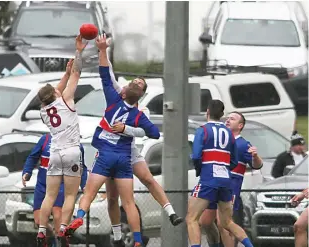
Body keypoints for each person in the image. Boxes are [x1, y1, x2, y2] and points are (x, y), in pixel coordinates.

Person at [65, 34, 160, 247]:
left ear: (124, 93)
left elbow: (105, 75)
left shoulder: (112, 101)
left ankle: (79, 216)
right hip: (124, 160)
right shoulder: (139, 114)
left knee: (89, 193)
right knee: (128, 202)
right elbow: (154, 133)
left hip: (106, 156)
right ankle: (136, 240)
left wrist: (102, 50)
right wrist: (131, 130)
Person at [104, 42, 182, 246]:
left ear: (142, 93)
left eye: (140, 83)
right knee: (112, 199)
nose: (136, 83)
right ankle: (118, 236)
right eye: (135, 81)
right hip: (112, 153)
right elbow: (108, 76)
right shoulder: (119, 96)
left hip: (129, 153)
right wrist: (103, 51)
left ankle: (170, 212)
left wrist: (126, 129)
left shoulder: (142, 112)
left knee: (148, 180)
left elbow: (146, 132)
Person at [36, 35, 87, 247]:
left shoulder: (43, 111)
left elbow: (55, 91)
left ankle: (41, 231)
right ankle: (64, 227)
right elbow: (77, 72)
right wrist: (78, 52)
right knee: (70, 195)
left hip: (54, 153)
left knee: (49, 195)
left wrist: (64, 75)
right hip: (73, 151)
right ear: (56, 93)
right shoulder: (67, 100)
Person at [186, 100, 254, 247]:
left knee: (192, 219)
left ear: (207, 112)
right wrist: (223, 168)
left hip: (208, 179)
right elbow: (234, 160)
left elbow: (196, 156)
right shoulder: (229, 134)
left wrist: (200, 170)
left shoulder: (203, 130)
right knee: (227, 222)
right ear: (222, 115)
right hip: (226, 181)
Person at [199, 111, 263, 247]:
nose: (227, 120)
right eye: (227, 118)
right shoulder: (221, 141)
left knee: (224, 223)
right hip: (213, 186)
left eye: (232, 119)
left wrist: (255, 156)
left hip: (230, 188)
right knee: (205, 221)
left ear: (240, 125)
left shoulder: (243, 144)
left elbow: (257, 165)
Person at [22, 133, 88, 245]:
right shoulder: (46, 139)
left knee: (58, 216)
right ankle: (51, 235)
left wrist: (84, 184)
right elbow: (32, 157)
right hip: (42, 185)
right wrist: (26, 172)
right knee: (38, 221)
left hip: (60, 184)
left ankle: (62, 240)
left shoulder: (75, 143)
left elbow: (82, 167)